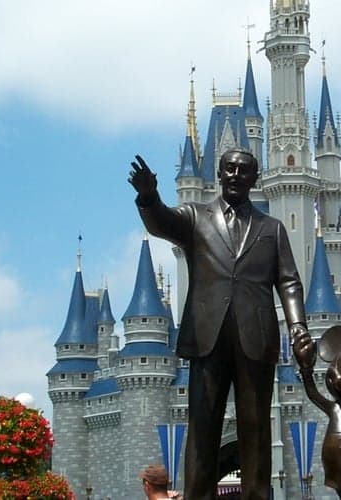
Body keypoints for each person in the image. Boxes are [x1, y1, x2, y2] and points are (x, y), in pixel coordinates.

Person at [128, 148, 308, 500]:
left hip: (256, 339)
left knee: (256, 430)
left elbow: (289, 281)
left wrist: (298, 326)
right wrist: (149, 197)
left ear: (256, 178)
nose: (236, 174)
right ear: (219, 174)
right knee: (202, 427)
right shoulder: (195, 217)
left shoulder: (272, 228)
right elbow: (162, 221)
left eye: (244, 170)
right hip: (206, 336)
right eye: (230, 169)